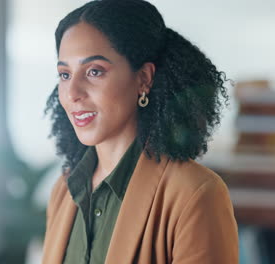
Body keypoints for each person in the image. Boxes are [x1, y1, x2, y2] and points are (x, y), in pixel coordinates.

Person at [42, 0, 239, 263]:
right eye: (65, 74)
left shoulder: (195, 194)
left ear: (144, 78)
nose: (72, 93)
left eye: (94, 71)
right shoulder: (64, 191)